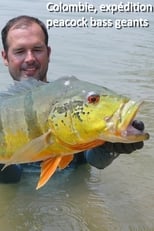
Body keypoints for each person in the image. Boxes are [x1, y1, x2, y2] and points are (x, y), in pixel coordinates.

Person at [0, 15, 144, 183]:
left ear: (48, 53)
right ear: (5, 57)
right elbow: (11, 179)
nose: (30, 58)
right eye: (19, 51)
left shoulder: (70, 98)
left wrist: (110, 148)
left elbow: (92, 160)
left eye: (37, 49)